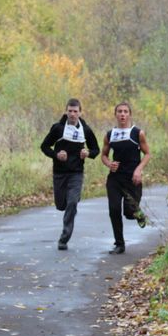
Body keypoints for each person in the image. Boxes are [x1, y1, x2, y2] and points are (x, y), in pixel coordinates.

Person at [40, 98, 100, 250]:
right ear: (66, 111)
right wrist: (56, 155)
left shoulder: (85, 130)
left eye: (75, 111)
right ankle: (68, 202)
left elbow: (96, 150)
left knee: (72, 203)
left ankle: (64, 239)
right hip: (59, 173)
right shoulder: (58, 129)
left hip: (76, 173)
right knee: (61, 205)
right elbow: (44, 146)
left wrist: (88, 153)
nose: (73, 114)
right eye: (70, 111)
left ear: (80, 112)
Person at [100, 102, 151, 255]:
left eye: (125, 111)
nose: (122, 114)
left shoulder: (138, 133)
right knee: (114, 209)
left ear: (130, 114)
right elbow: (103, 155)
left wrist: (138, 170)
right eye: (119, 112)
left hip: (132, 179)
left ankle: (138, 213)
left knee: (129, 213)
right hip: (115, 178)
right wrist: (109, 163)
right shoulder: (110, 134)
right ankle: (119, 244)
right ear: (115, 115)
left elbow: (147, 154)